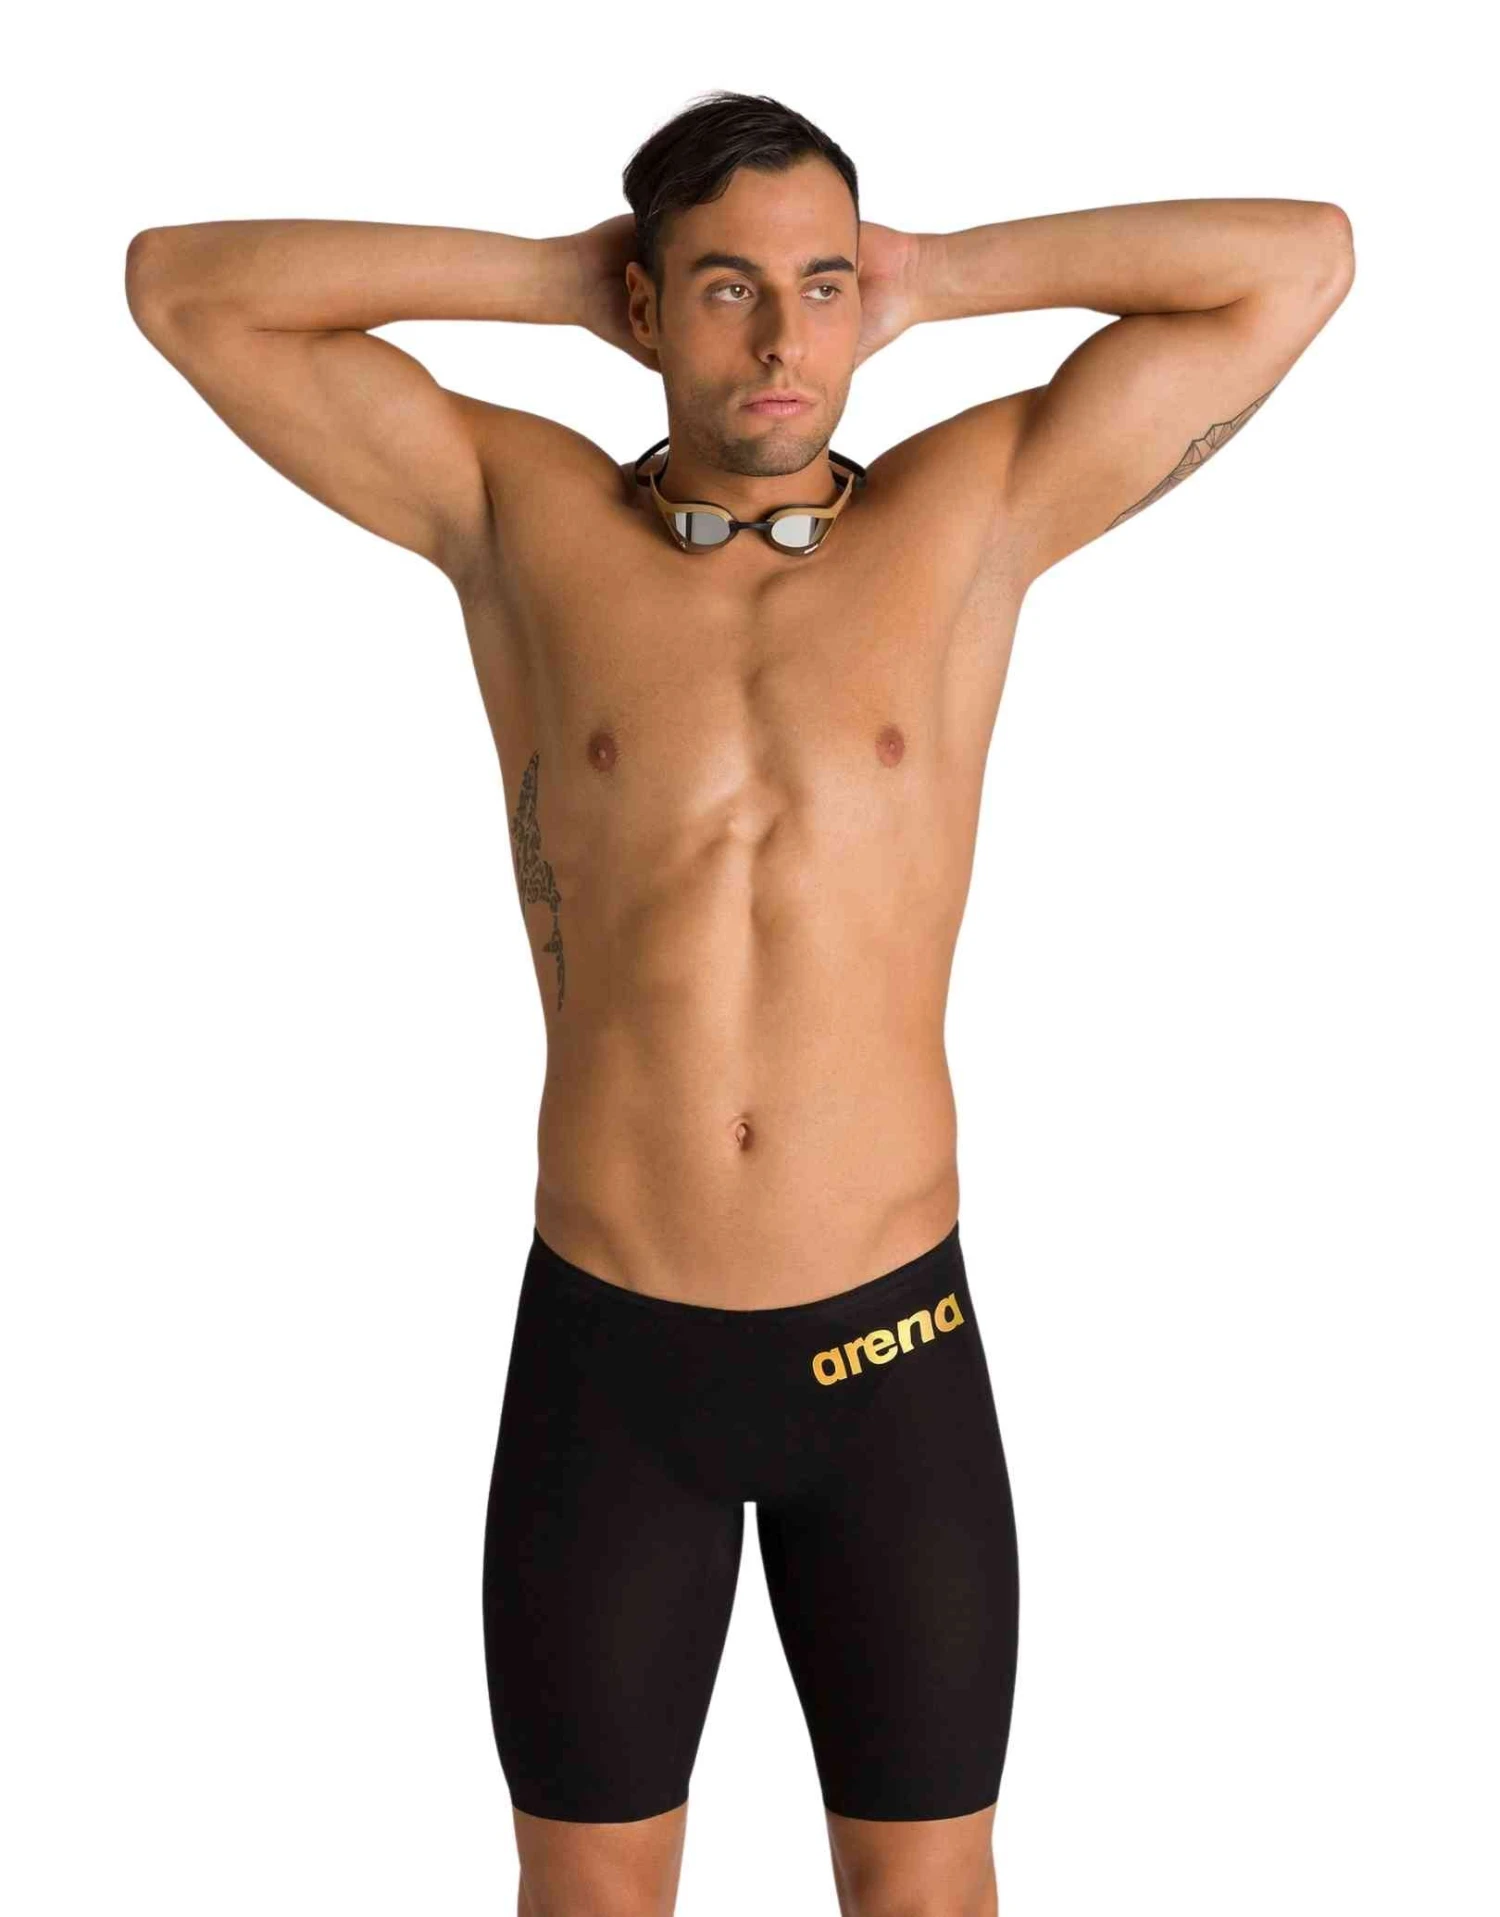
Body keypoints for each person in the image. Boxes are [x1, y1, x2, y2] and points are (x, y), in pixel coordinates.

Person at [125, 87, 1354, 1917]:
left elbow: (1301, 263)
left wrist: (928, 276)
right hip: (613, 1351)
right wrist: (563, 281)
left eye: (819, 287)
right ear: (645, 304)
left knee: (927, 1898)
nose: (785, 340)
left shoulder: (970, 515)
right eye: (725, 290)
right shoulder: (519, 514)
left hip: (891, 1348)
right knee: (589, 1902)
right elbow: (182, 287)